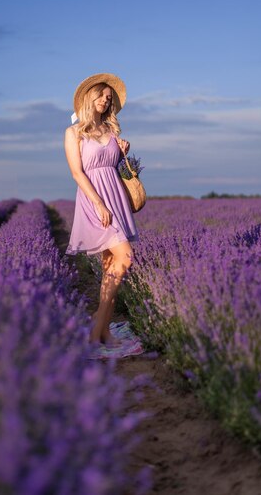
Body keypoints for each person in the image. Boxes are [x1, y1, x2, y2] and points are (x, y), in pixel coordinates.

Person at [64, 72, 142, 358]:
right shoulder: (73, 133)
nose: (104, 100)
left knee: (112, 263)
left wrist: (123, 153)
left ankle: (103, 329)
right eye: (100, 95)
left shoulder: (112, 132)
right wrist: (98, 203)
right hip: (94, 200)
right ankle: (98, 327)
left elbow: (115, 169)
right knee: (126, 257)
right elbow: (77, 172)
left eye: (108, 98)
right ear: (89, 96)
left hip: (116, 198)